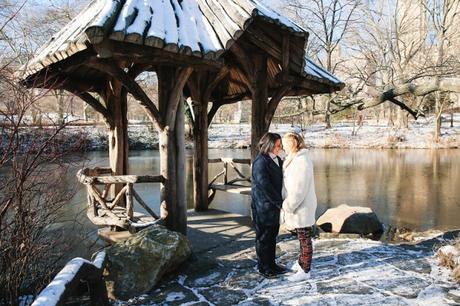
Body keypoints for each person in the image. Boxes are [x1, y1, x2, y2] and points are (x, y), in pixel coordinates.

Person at [281, 132, 317, 282]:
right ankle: (301, 262)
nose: (283, 146)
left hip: (302, 207)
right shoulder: (294, 158)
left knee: (305, 238)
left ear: (294, 144)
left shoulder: (302, 161)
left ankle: (305, 270)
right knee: (301, 237)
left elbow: (299, 189)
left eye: (285, 143)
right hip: (298, 206)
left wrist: (288, 206)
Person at [251, 132, 287, 278]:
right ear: (269, 144)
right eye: (277, 145)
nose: (279, 147)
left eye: (280, 145)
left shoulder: (277, 159)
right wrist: (279, 202)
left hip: (273, 206)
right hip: (263, 206)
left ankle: (272, 264)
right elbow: (264, 184)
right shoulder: (261, 161)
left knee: (272, 236)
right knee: (263, 237)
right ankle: (263, 267)